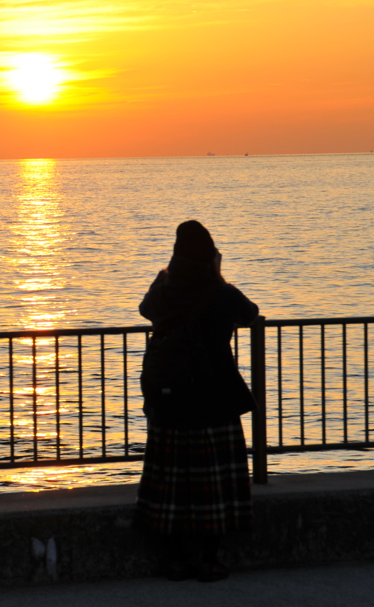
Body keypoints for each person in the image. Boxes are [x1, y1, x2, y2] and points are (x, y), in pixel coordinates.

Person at [135, 220, 259, 582]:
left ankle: (174, 559)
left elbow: (145, 309)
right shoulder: (223, 294)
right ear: (210, 254)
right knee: (214, 483)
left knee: (170, 483)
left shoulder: (164, 291)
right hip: (214, 400)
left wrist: (163, 275)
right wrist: (219, 276)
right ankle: (208, 559)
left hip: (171, 400)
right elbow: (250, 316)